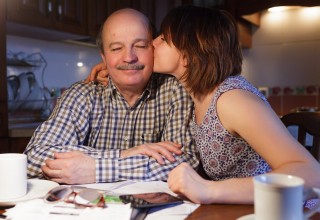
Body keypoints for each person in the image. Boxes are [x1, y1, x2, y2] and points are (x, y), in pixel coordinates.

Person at [87, 5, 320, 205]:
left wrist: (209, 191)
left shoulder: (231, 100)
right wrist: (115, 66)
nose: (152, 43)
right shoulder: (195, 92)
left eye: (164, 39)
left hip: (292, 212)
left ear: (188, 55)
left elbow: (311, 175)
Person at [24, 8, 199, 184]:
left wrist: (95, 170)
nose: (129, 57)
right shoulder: (82, 94)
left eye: (140, 46)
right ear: (104, 57)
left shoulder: (176, 90)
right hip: (88, 209)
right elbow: (33, 158)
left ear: (153, 50)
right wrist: (123, 155)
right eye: (116, 48)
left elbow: (185, 163)